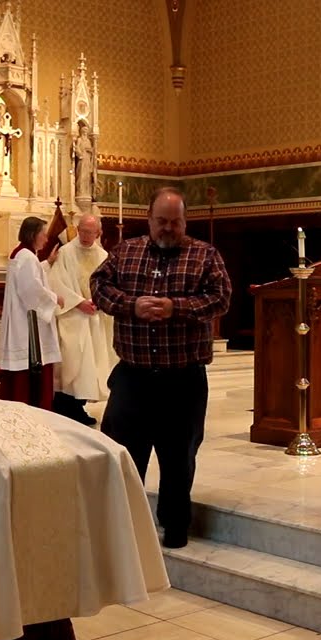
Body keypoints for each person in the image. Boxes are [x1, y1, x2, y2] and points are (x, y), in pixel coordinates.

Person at [91, 187, 232, 549]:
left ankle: (175, 525)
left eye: (176, 221)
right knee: (123, 454)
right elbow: (98, 286)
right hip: (133, 377)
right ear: (149, 219)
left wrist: (176, 308)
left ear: (185, 220)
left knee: (178, 456)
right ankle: (125, 527)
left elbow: (221, 298)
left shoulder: (204, 255)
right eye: (162, 221)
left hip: (182, 378)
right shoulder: (126, 251)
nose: (169, 228)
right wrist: (130, 305)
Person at [49, 213, 115, 425]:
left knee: (92, 365)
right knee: (72, 362)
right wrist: (79, 302)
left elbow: (108, 284)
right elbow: (57, 282)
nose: (86, 236)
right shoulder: (66, 253)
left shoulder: (103, 255)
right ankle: (66, 405)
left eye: (91, 232)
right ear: (77, 230)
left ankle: (78, 406)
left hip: (94, 317)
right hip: (73, 316)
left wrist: (98, 301)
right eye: (83, 231)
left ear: (99, 233)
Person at [0, 217, 63, 409]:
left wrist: (47, 262)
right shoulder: (26, 257)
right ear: (33, 234)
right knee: (29, 374)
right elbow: (30, 290)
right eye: (43, 233)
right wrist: (54, 298)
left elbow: (29, 276)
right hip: (26, 325)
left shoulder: (23, 254)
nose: (45, 238)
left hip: (21, 319)